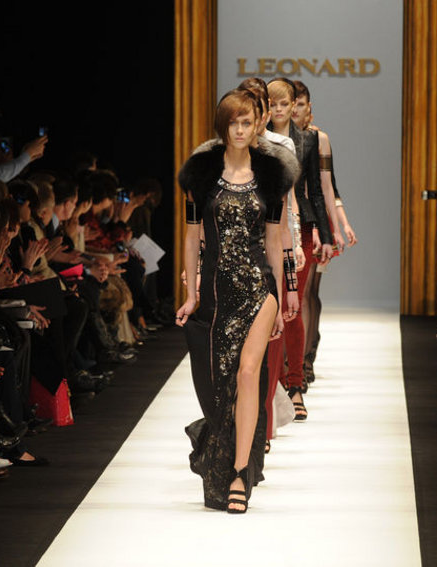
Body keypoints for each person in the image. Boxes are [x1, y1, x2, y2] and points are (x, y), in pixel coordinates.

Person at [176, 88, 295, 513]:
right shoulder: (201, 175)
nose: (241, 130)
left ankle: (241, 473)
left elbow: (274, 239)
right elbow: (192, 236)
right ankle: (217, 451)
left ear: (257, 124)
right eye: (234, 123)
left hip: (258, 288)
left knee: (248, 374)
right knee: (217, 387)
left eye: (247, 122)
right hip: (215, 292)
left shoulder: (273, 176)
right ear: (222, 127)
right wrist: (191, 294)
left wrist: (281, 295)